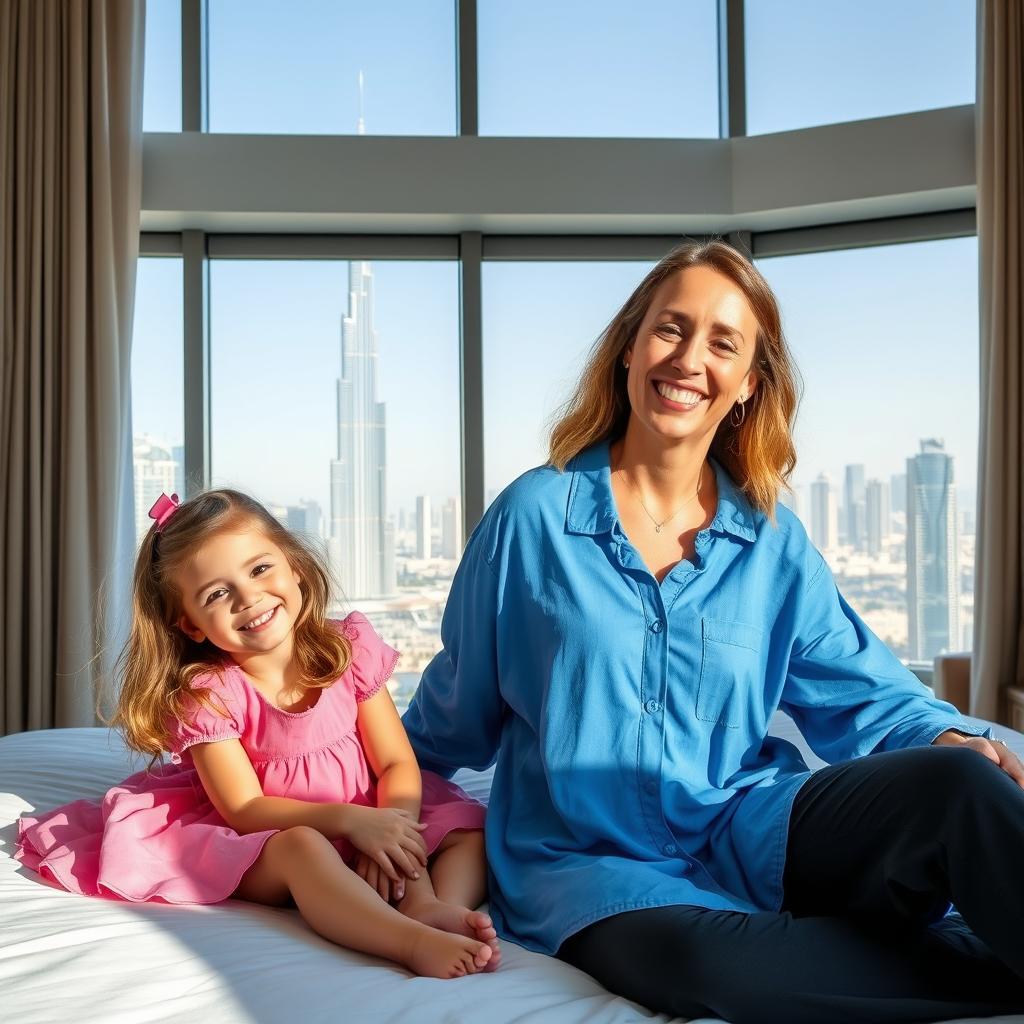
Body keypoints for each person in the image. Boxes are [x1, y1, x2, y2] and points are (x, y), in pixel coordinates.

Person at [402, 239, 1024, 1021]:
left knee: (961, 782)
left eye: (722, 343)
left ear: (747, 385)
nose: (690, 358)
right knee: (701, 963)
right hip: (591, 866)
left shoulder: (771, 540)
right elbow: (448, 724)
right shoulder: (532, 520)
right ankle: (995, 963)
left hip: (747, 825)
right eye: (671, 329)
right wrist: (298, 798)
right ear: (629, 348)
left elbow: (868, 696)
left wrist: (952, 740)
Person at [17, 489, 499, 979]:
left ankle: (432, 905)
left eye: (260, 569)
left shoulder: (347, 648)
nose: (249, 598)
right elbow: (245, 809)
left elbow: (396, 764)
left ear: (294, 566)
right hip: (268, 833)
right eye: (217, 594)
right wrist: (351, 823)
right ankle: (406, 939)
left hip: (369, 816)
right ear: (193, 625)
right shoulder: (209, 693)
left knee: (470, 826)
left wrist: (394, 831)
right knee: (303, 848)